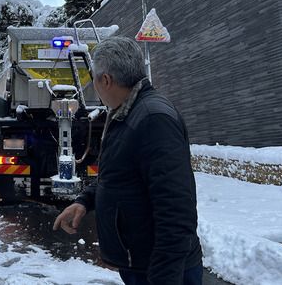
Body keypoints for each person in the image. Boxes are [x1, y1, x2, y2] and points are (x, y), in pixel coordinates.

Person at [53, 36, 202, 285]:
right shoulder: (128, 113)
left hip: (161, 271)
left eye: (95, 80)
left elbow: (176, 211)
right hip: (143, 264)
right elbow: (119, 176)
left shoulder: (153, 119)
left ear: (107, 80)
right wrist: (85, 201)